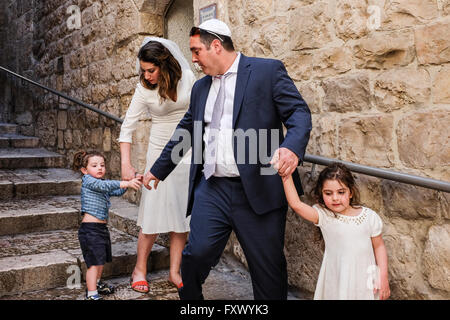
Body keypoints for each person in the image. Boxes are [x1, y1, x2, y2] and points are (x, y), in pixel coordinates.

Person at [143, 19, 312, 300]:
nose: (193, 59)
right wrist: (158, 170)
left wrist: (292, 148)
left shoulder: (267, 71)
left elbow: (299, 113)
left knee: (267, 268)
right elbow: (186, 131)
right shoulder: (200, 88)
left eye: (196, 51)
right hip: (213, 188)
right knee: (194, 256)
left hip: (260, 187)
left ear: (217, 46)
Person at [118, 37, 196, 293]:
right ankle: (139, 268)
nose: (147, 75)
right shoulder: (144, 89)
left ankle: (175, 271)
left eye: (151, 70)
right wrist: (126, 164)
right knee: (152, 213)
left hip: (188, 152)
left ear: (165, 64)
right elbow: (127, 128)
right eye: (143, 70)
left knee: (182, 215)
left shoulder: (187, 77)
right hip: (159, 154)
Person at [272, 159, 390, 300]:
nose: (335, 198)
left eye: (341, 192)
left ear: (351, 192)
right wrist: (286, 175)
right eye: (328, 193)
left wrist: (383, 277)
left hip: (365, 282)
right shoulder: (324, 216)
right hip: (338, 281)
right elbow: (296, 204)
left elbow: (379, 247)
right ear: (321, 194)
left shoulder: (370, 217)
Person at [73, 150, 142, 300]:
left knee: (100, 260)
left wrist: (131, 181)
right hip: (90, 230)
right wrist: (126, 182)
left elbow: (115, 191)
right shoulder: (89, 181)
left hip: (101, 229)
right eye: (95, 165)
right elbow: (107, 185)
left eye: (102, 165)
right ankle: (91, 294)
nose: (100, 168)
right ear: (84, 170)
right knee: (93, 263)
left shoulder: (102, 184)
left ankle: (96, 284)